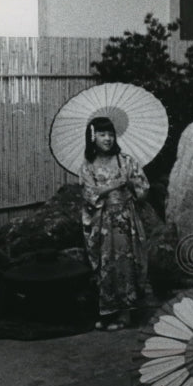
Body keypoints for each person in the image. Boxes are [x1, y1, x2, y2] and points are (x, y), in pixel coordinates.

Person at [79, 116, 152, 331]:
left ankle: (125, 314)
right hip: (102, 220)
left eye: (110, 134)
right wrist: (114, 184)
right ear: (93, 138)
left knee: (125, 262)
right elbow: (89, 194)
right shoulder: (88, 166)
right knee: (104, 264)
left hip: (124, 219)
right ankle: (107, 311)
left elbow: (144, 190)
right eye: (102, 134)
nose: (108, 139)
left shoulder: (126, 160)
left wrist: (131, 183)